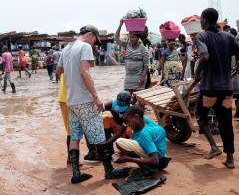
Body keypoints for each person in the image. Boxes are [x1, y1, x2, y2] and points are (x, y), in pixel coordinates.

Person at [56, 25, 128, 184]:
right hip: (85, 100)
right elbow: (84, 72)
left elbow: (58, 71)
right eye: (95, 39)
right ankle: (109, 170)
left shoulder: (66, 48)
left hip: (71, 100)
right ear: (90, 34)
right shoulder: (85, 47)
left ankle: (76, 173)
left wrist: (71, 78)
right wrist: (96, 97)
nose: (94, 43)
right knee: (99, 135)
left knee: (74, 136)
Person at [195, 8, 239, 168]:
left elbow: (204, 56)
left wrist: (197, 72)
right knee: (226, 122)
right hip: (226, 89)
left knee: (200, 117)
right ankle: (230, 159)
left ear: (204, 19)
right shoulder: (228, 36)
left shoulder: (202, 36)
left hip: (209, 89)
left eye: (201, 20)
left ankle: (213, 146)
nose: (200, 22)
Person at [114, 106, 171, 180]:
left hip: (157, 159)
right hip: (160, 153)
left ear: (136, 116)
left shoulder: (144, 133)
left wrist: (128, 159)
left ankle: (148, 168)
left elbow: (155, 160)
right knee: (130, 139)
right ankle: (150, 162)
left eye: (128, 120)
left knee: (120, 142)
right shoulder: (144, 120)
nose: (128, 124)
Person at [115, 19, 149, 97]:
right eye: (130, 37)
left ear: (138, 38)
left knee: (139, 98)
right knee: (126, 96)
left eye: (133, 37)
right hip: (129, 76)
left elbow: (146, 64)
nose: (131, 39)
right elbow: (116, 39)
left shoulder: (143, 48)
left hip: (139, 76)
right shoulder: (127, 45)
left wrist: (143, 76)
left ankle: (139, 109)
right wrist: (120, 25)